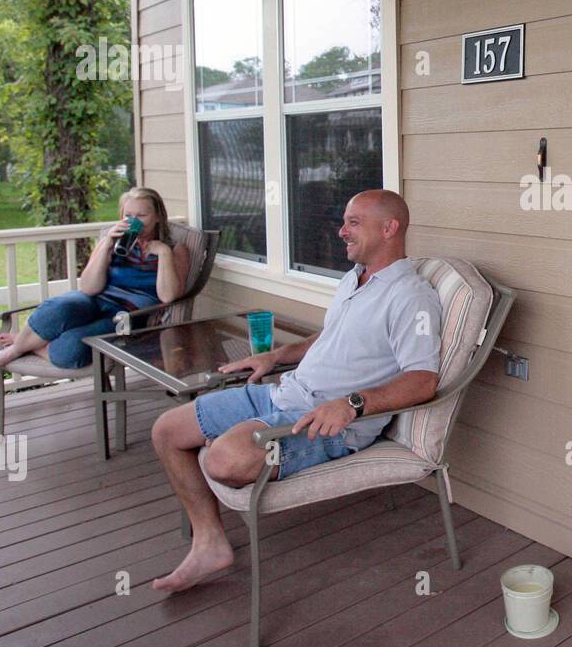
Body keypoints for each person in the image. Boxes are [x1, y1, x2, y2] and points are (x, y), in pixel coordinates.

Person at [149, 189, 442, 593]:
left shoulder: (411, 298)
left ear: (390, 228)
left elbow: (423, 378)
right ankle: (210, 542)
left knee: (225, 459)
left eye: (354, 222)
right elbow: (332, 335)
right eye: (345, 221)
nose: (341, 231)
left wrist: (354, 403)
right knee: (167, 429)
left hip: (327, 422)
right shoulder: (354, 279)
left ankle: (235, 446)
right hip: (285, 393)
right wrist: (277, 355)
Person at [0, 187, 190, 377]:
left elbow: (168, 296)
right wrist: (106, 246)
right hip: (97, 300)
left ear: (158, 216)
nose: (134, 221)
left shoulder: (174, 250)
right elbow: (88, 287)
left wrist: (162, 253)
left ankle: (32, 343)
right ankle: (13, 351)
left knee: (71, 348)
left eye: (141, 215)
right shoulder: (111, 242)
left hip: (128, 317)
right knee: (59, 307)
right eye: (128, 215)